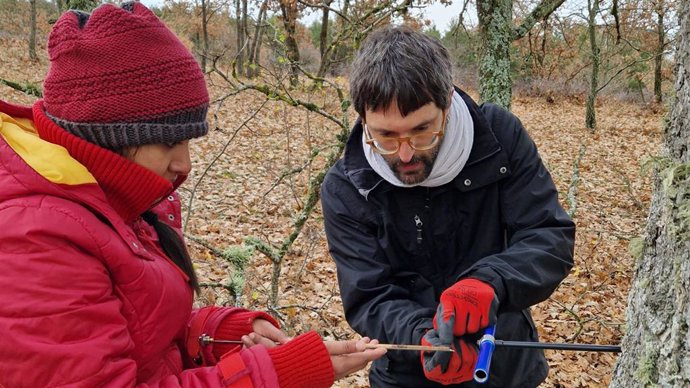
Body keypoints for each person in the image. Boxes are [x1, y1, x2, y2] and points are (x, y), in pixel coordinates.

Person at [0, 2, 385, 387]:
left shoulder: (114, 201)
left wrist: (217, 333)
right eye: (169, 141)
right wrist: (276, 375)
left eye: (187, 140)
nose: (183, 163)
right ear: (110, 138)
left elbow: (143, 333)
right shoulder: (36, 238)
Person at [320, 26, 575, 387]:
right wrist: (424, 337)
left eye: (422, 131)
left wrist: (490, 283)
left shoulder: (498, 137)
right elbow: (369, 296)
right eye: (386, 136)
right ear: (363, 119)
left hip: (503, 363)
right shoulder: (348, 185)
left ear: (447, 102)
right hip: (406, 369)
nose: (405, 154)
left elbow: (549, 237)